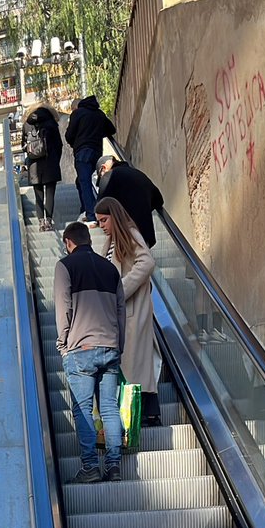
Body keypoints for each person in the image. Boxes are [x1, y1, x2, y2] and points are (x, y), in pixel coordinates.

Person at [54, 221, 126, 482]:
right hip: (110, 346)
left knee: (83, 409)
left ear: (68, 242)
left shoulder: (65, 266)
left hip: (81, 348)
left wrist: (62, 342)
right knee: (109, 407)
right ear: (89, 240)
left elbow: (63, 307)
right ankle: (114, 466)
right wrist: (119, 345)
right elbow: (121, 311)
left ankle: (90, 467)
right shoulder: (110, 268)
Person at [94, 195, 161, 425]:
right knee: (131, 366)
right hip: (121, 316)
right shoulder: (112, 241)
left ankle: (147, 415)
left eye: (104, 220)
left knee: (135, 366)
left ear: (115, 216)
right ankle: (139, 415)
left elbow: (147, 262)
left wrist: (121, 289)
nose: (101, 226)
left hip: (133, 312)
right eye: (99, 221)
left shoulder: (130, 233)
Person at [65, 96, 116, 226]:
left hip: (82, 152)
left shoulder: (77, 114)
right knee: (82, 182)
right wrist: (97, 133)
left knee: (85, 183)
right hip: (97, 152)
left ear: (75, 107)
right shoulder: (99, 114)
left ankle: (92, 214)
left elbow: (69, 135)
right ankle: (86, 209)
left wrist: (77, 141)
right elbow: (112, 129)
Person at [96, 154, 164, 248]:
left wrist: (96, 221)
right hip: (145, 235)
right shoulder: (138, 174)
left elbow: (100, 207)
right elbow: (159, 200)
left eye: (100, 175)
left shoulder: (109, 176)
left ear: (104, 168)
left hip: (126, 234)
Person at [22, 104, 63, 232]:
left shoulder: (27, 125)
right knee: (50, 194)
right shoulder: (51, 123)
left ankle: (41, 223)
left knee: (38, 195)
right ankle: (49, 222)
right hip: (50, 162)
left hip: (34, 165)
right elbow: (59, 144)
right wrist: (55, 159)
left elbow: (23, 145)